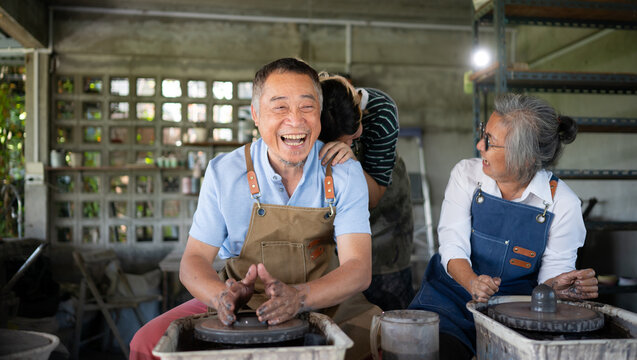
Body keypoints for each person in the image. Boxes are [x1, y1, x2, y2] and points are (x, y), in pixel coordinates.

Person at [130, 58, 380, 360]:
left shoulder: (342, 171)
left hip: (323, 300)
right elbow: (193, 260)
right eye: (280, 107)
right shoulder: (224, 172)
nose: (295, 120)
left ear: (319, 113)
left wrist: (299, 297)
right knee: (145, 344)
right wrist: (221, 296)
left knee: (381, 342)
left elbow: (359, 269)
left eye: (306, 107)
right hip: (241, 307)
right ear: (256, 115)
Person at [409, 93, 599, 360]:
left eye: (490, 142)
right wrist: (472, 282)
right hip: (450, 298)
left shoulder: (563, 203)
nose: (479, 145)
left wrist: (560, 286)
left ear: (526, 158)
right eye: (483, 134)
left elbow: (551, 278)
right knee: (430, 351)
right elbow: (452, 244)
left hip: (516, 310)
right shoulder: (466, 175)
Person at [318, 74, 414, 311]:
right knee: (336, 305)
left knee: (387, 305)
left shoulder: (382, 112)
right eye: (343, 142)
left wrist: (351, 163)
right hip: (330, 221)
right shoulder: (315, 105)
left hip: (384, 222)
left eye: (353, 139)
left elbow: (374, 196)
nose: (350, 145)